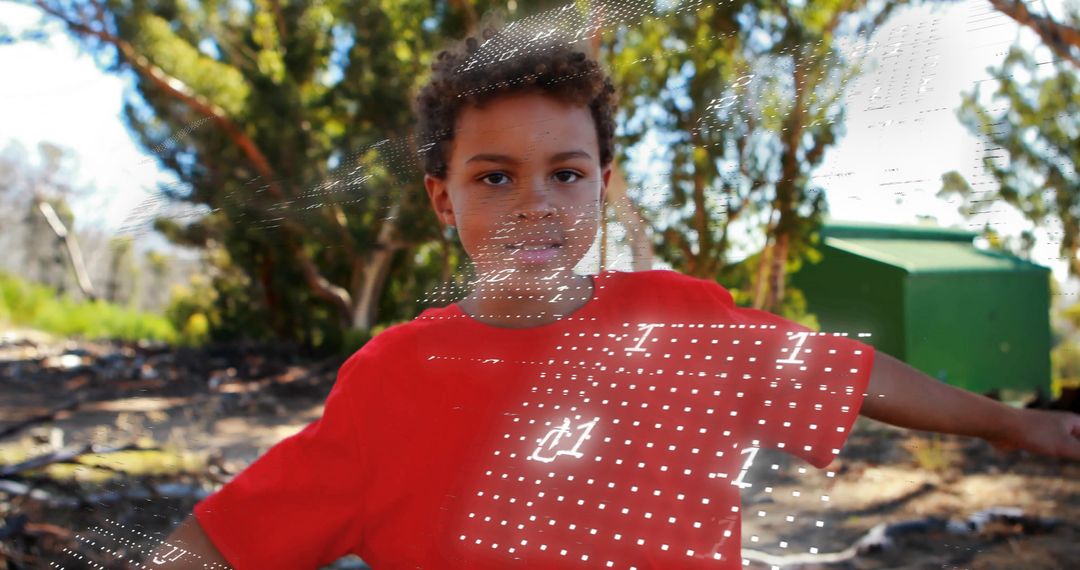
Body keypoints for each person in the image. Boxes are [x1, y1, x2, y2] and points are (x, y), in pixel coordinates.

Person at [150, 21, 1080, 570]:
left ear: (602, 182)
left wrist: (1013, 426)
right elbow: (224, 540)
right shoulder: (392, 377)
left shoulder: (683, 320)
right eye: (495, 177)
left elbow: (848, 373)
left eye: (565, 173)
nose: (537, 206)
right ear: (442, 198)